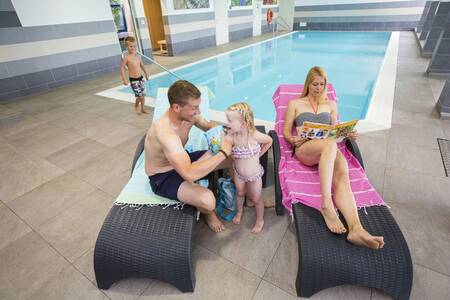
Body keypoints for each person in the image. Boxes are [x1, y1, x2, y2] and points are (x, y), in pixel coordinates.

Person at [283, 66, 385, 249]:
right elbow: (285, 131)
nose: (319, 88)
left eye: (322, 84)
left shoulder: (331, 105)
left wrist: (347, 134)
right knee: (330, 146)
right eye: (315, 84)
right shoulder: (295, 104)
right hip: (305, 148)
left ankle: (356, 228)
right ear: (308, 83)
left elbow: (335, 131)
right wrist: (294, 139)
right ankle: (326, 204)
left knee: (343, 178)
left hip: (329, 148)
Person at [145, 80, 232, 233]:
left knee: (235, 158)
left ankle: (241, 191)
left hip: (183, 160)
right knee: (208, 201)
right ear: (176, 107)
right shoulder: (165, 133)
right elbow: (189, 174)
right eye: (194, 108)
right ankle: (208, 214)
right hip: (163, 176)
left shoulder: (189, 116)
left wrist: (228, 132)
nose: (198, 112)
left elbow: (209, 126)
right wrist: (223, 152)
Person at [225, 103, 273, 234]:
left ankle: (260, 220)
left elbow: (269, 140)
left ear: (243, 123)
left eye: (229, 120)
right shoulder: (232, 137)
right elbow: (224, 145)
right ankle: (240, 212)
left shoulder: (254, 135)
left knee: (257, 198)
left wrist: (259, 154)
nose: (226, 123)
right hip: (239, 174)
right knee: (240, 193)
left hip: (254, 175)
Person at [121, 36, 149, 115]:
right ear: (126, 47)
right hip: (134, 80)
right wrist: (124, 79)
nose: (133, 48)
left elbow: (142, 65)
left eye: (134, 46)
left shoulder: (138, 56)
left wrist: (146, 73)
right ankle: (136, 105)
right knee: (140, 96)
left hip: (141, 78)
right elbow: (122, 68)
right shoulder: (126, 58)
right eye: (131, 46)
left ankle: (143, 109)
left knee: (143, 95)